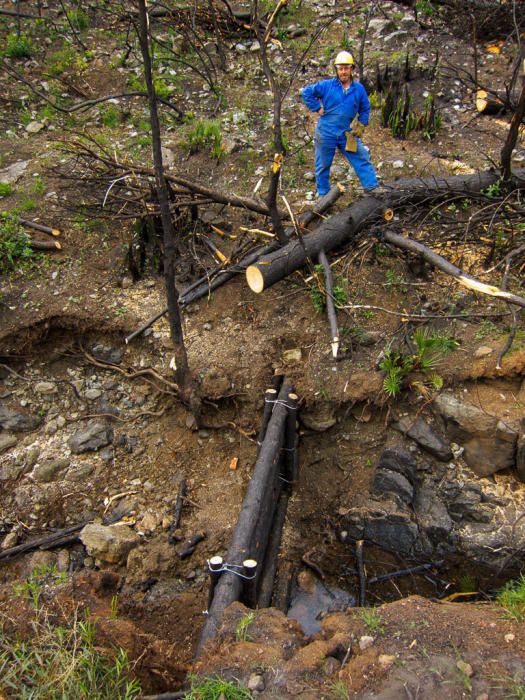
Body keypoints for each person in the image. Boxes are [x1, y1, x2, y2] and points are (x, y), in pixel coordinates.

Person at [301, 51, 379, 197]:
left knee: (361, 156)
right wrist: (317, 107)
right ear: (336, 69)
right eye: (340, 68)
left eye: (346, 68)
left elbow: (365, 108)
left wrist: (361, 124)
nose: (343, 71)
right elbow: (306, 92)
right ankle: (324, 196)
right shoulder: (326, 86)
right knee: (323, 165)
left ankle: (372, 187)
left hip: (346, 132)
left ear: (351, 69)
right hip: (325, 132)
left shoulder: (359, 89)